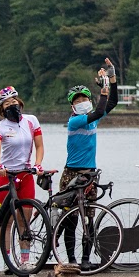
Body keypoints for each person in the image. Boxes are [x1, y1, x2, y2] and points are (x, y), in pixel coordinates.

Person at [58, 59, 117, 264]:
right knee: (71, 220)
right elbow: (100, 110)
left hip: (89, 173)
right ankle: (72, 259)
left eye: (84, 98)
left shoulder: (93, 118)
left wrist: (112, 78)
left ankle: (85, 258)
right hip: (71, 174)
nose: (81, 102)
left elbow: (112, 103)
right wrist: (104, 89)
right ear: (72, 105)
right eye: (77, 100)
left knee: (89, 219)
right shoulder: (74, 121)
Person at [0, 85, 44, 270]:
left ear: (19, 102)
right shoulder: (0, 127)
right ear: (2, 109)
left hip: (26, 173)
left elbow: (39, 146)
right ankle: (7, 261)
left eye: (14, 101)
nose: (12, 104)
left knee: (25, 220)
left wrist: (37, 164)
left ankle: (24, 260)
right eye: (7, 103)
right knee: (7, 221)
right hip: (7, 176)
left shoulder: (31, 121)